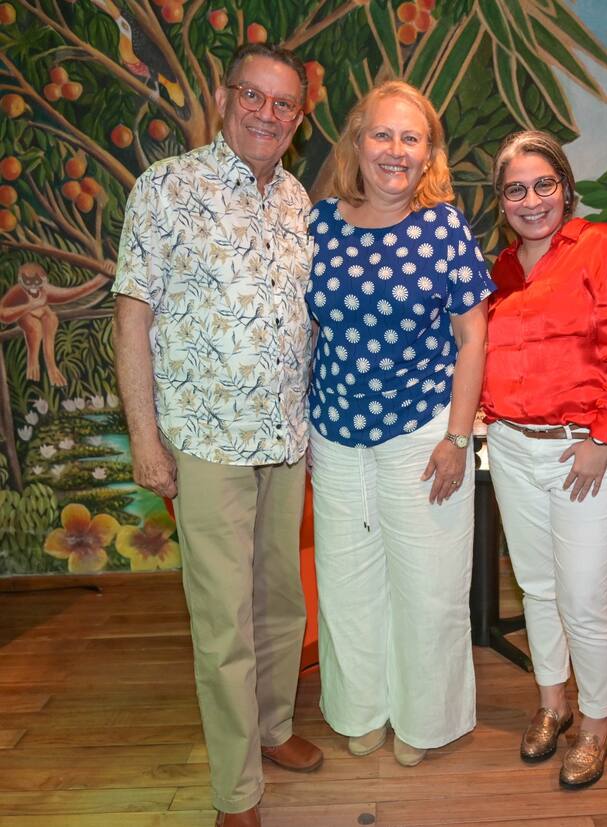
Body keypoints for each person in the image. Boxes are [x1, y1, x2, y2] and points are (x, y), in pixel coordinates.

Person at [112, 43, 322, 827]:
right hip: (205, 440)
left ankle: (273, 727)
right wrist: (145, 438)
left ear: (298, 119)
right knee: (224, 620)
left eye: (283, 103)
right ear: (226, 95)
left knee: (282, 602)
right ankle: (237, 791)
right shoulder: (166, 188)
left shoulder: (298, 200)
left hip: (285, 439)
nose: (266, 113)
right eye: (253, 95)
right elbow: (132, 319)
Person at [306, 80, 495, 767]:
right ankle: (361, 709)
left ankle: (426, 719)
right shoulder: (318, 224)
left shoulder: (444, 228)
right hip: (334, 434)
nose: (395, 150)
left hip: (423, 432)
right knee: (347, 584)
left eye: (410, 138)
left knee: (429, 586)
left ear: (428, 153)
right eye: (382, 134)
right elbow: (306, 332)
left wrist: (457, 437)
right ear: (357, 144)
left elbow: (473, 337)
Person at [481, 130, 607, 788]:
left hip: (585, 449)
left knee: (582, 598)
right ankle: (552, 704)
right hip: (512, 448)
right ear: (501, 201)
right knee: (537, 587)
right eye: (515, 190)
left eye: (543, 185)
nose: (531, 201)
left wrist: (602, 437)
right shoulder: (500, 271)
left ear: (566, 187)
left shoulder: (602, 248)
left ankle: (597, 724)